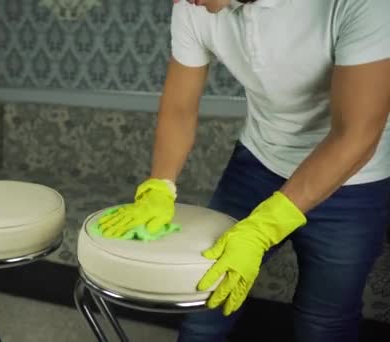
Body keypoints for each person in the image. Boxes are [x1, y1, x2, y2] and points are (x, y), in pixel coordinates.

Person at [96, 0, 390, 341]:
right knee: (203, 303)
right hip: (258, 163)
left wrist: (263, 228)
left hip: (353, 182)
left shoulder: (362, 4)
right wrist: (160, 185)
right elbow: (179, 108)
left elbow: (355, 135)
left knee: (324, 324)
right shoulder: (191, 4)